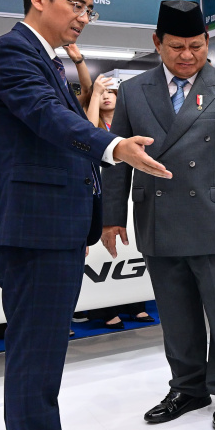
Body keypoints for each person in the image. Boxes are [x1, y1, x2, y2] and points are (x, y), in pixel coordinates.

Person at [0, 0, 171, 430]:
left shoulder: (44, 58)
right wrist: (112, 147)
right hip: (30, 225)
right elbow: (45, 119)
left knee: (42, 344)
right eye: (75, 4)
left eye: (89, 6)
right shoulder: (13, 52)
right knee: (35, 348)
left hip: (47, 222)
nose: (84, 16)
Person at [102, 0, 215, 430]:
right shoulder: (134, 91)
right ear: (157, 43)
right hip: (159, 216)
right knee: (176, 314)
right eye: (176, 46)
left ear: (207, 42)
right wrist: (112, 216)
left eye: (196, 46)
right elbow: (121, 156)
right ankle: (188, 386)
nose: (186, 55)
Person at [86, 76, 156, 329]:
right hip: (102, 184)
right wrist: (93, 94)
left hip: (135, 188)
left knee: (130, 251)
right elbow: (88, 135)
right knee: (105, 256)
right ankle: (106, 309)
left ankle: (136, 306)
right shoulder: (94, 120)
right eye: (102, 93)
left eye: (110, 92)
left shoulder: (136, 119)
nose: (106, 96)